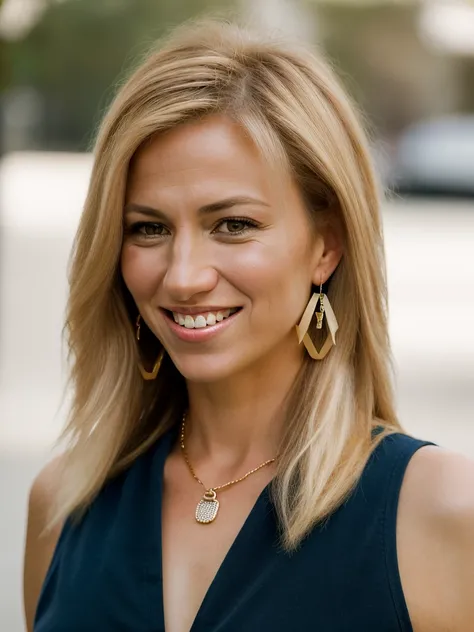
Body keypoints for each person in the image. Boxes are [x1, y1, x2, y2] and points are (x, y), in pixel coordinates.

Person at [23, 18, 474, 632]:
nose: (183, 276)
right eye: (148, 228)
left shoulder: (441, 512)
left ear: (327, 245)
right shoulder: (63, 505)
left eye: (232, 224)